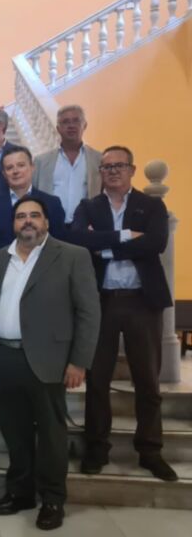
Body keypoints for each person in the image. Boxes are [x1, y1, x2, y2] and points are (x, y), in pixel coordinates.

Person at [0, 196, 100, 531]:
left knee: (51, 434)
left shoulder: (72, 256)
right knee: (15, 432)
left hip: (49, 360)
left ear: (47, 222)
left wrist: (79, 361)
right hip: (4, 357)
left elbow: (89, 312)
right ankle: (20, 491)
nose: (27, 222)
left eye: (34, 216)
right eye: (20, 216)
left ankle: (52, 498)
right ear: (13, 223)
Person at [71, 146, 176, 482]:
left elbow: (155, 243)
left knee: (147, 380)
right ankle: (97, 448)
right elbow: (77, 240)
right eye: (106, 166)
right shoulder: (89, 207)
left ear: (132, 170)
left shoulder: (151, 205)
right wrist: (125, 238)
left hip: (141, 302)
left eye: (119, 166)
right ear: (100, 172)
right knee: (97, 380)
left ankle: (150, 451)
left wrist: (103, 244)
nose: (113, 171)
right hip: (101, 302)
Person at [0, 146, 65, 257]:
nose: (15, 171)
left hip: (44, 269)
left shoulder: (52, 203)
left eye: (21, 165)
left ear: (32, 167)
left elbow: (59, 246)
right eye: (9, 168)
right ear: (4, 174)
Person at [33, 105, 103, 225]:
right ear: (58, 128)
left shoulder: (98, 159)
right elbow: (33, 194)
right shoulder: (41, 161)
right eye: (65, 122)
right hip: (50, 225)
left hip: (86, 225)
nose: (71, 126)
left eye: (76, 120)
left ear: (84, 125)